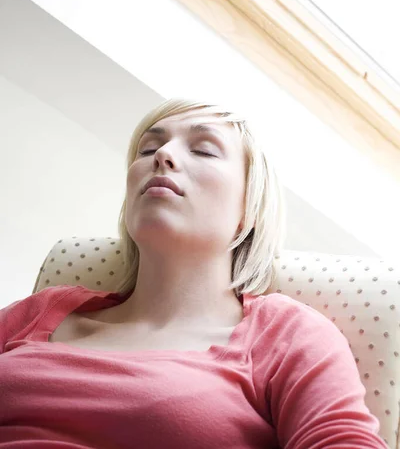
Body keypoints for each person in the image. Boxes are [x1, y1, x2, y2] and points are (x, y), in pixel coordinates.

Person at [0, 97, 387, 448]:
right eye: (148, 148)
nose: (163, 154)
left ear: (249, 209)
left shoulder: (285, 334)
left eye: (204, 150)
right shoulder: (38, 311)